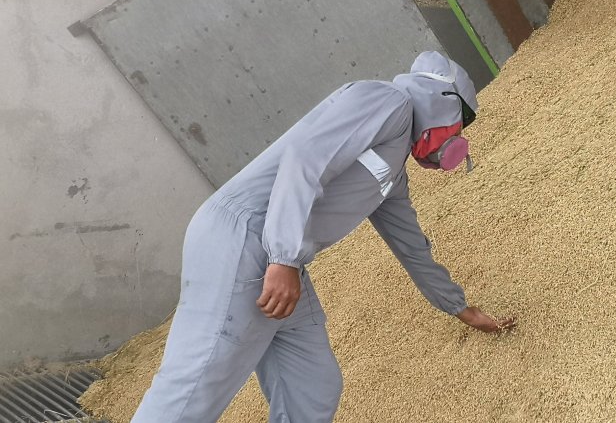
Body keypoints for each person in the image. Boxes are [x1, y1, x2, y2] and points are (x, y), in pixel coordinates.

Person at [132, 51, 514, 423]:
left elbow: (413, 247)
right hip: (247, 238)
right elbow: (306, 155)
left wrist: (459, 308)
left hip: (283, 261)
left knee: (313, 388)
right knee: (196, 390)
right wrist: (283, 259)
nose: (459, 134)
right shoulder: (389, 100)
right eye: (461, 120)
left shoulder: (393, 173)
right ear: (442, 98)